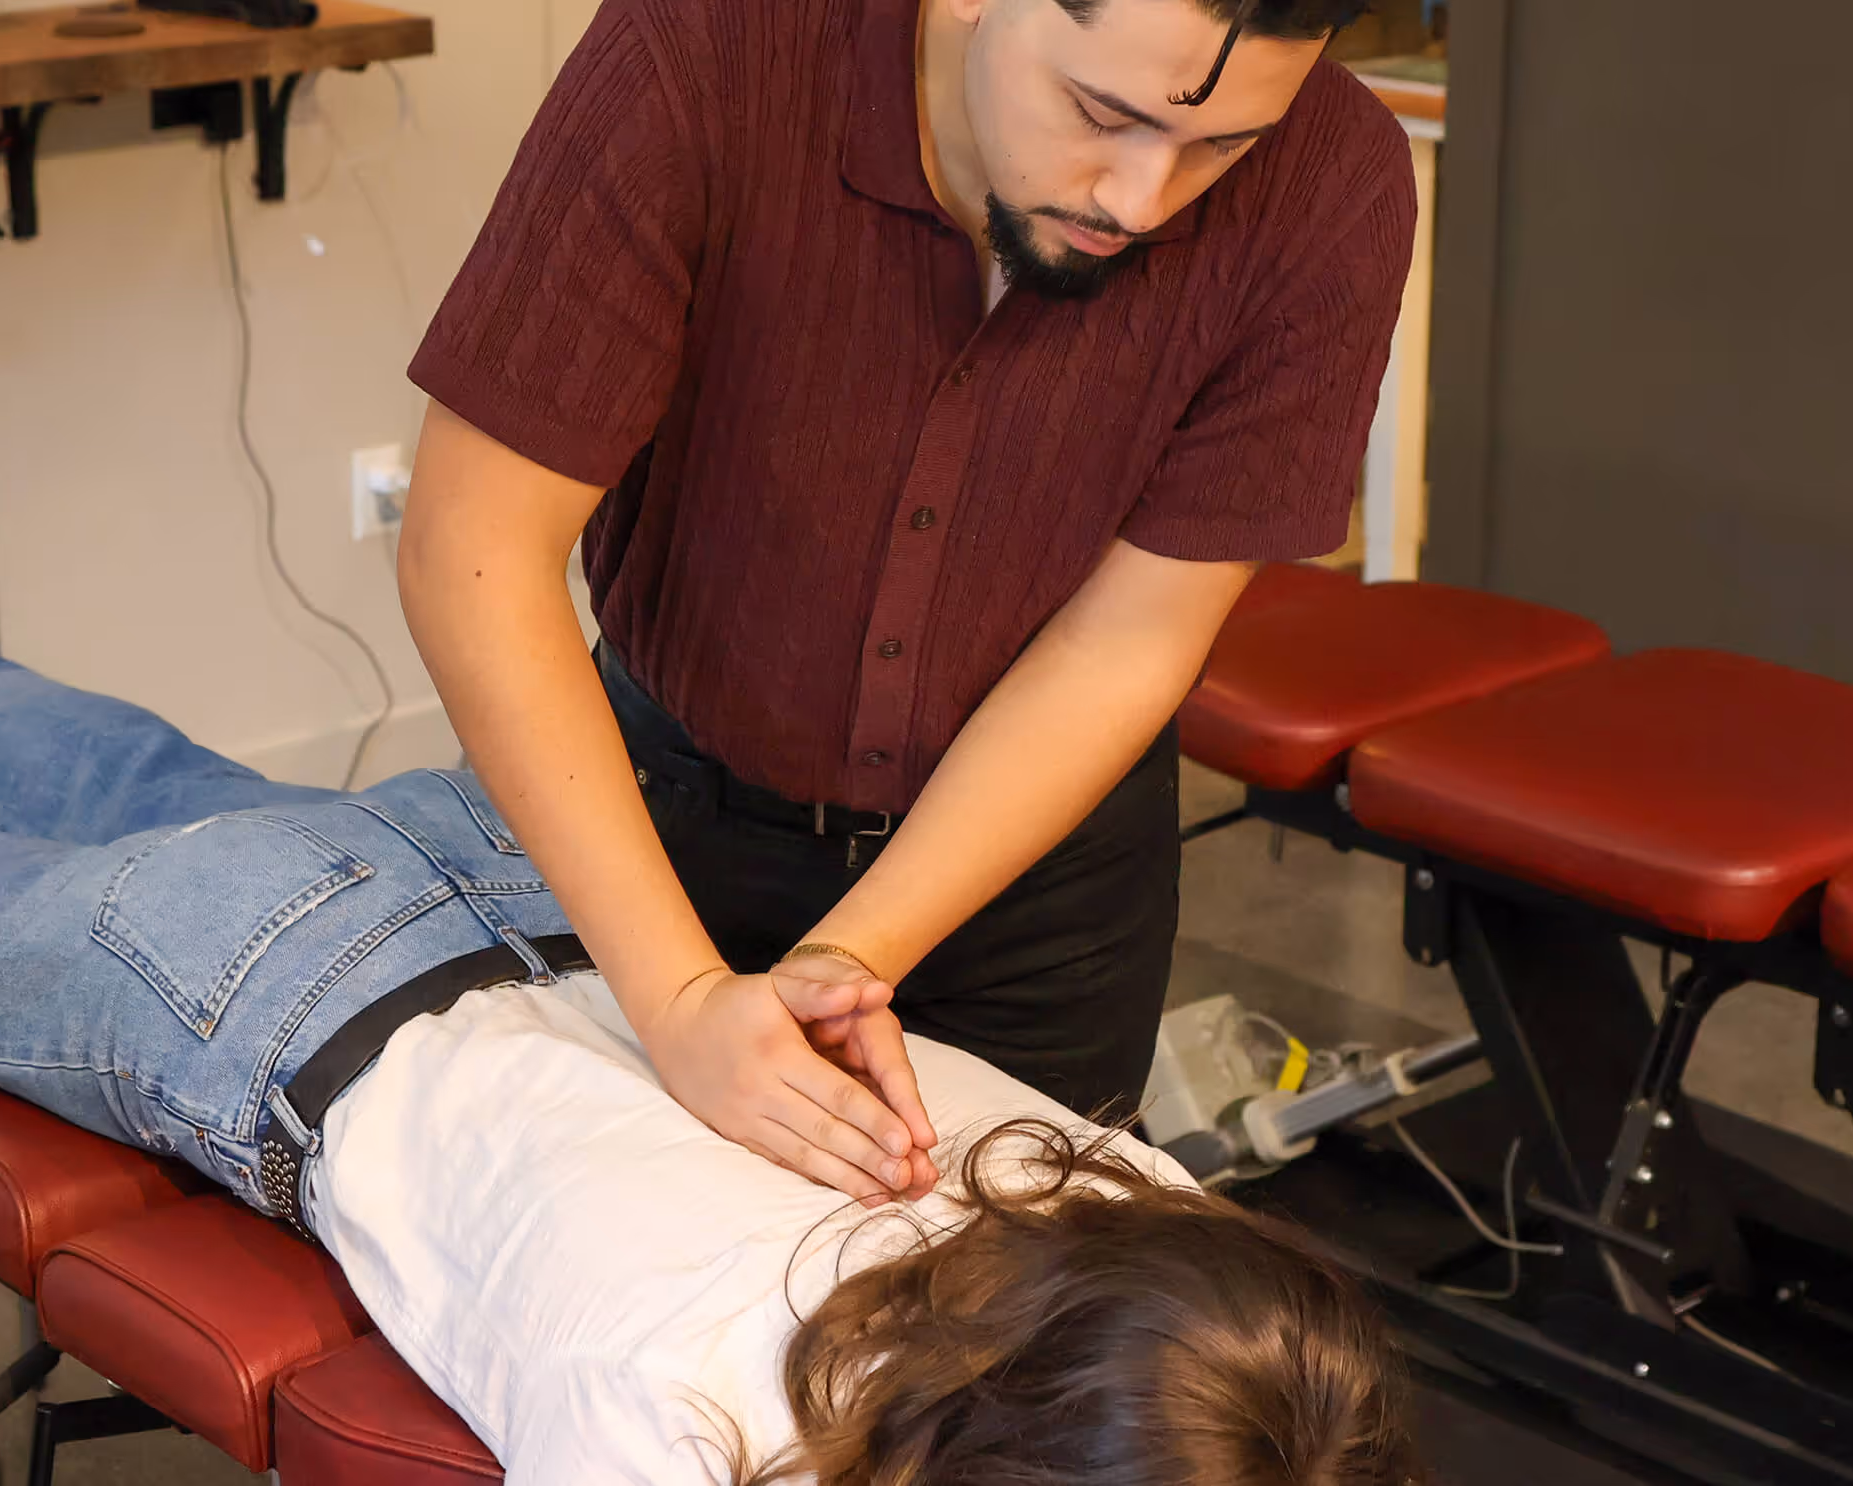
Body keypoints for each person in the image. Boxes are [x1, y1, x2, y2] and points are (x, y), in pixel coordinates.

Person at [0, 618, 1418, 1483]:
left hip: (564, 893)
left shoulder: (1128, 1210)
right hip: (269, 1005)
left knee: (172, 791)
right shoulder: (687, 1428)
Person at [394, 0, 1418, 1207]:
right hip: (652, 831)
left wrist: (848, 960)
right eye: (1101, 113)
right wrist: (680, 999)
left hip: (1040, 885)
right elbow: (474, 554)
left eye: (1221, 147)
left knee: (1017, 1306)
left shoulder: (1334, 179)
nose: (1141, 202)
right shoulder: (707, 52)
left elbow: (1131, 637)